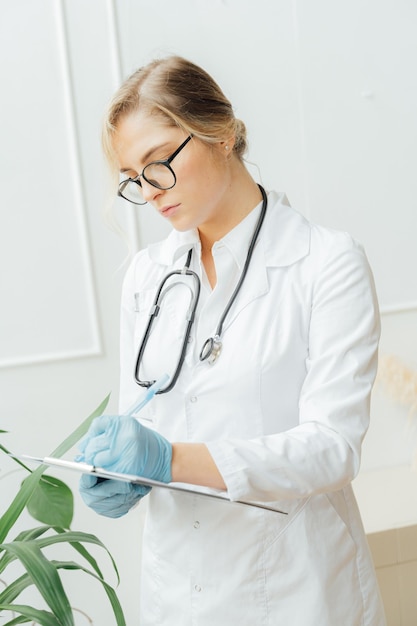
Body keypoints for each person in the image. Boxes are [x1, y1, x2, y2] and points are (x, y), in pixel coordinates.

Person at [78, 56, 386, 625]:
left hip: (296, 589)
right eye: (134, 178)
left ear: (219, 134)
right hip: (178, 590)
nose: (150, 192)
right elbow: (140, 422)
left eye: (158, 163)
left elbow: (332, 448)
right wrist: (124, 474)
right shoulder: (149, 277)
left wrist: (168, 460)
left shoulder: (325, 263)